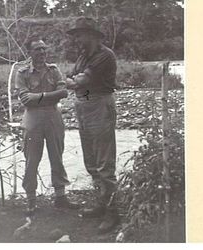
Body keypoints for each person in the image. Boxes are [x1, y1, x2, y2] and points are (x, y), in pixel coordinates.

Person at [65, 17, 119, 233]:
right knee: (91, 160)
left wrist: (73, 82)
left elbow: (80, 81)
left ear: (92, 35)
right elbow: (72, 76)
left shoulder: (104, 55)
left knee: (104, 162)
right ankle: (101, 203)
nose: (76, 39)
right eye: (75, 35)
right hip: (85, 107)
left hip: (99, 106)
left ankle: (112, 212)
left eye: (79, 34)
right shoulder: (83, 55)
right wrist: (73, 81)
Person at [15, 40, 79, 216]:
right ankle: (31, 201)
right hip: (33, 119)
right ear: (30, 52)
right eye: (37, 49)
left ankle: (61, 197)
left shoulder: (53, 69)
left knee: (57, 157)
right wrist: (50, 96)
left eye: (44, 48)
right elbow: (25, 99)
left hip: (53, 116)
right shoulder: (22, 73)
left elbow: (64, 92)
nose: (42, 52)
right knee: (31, 161)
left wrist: (39, 97)